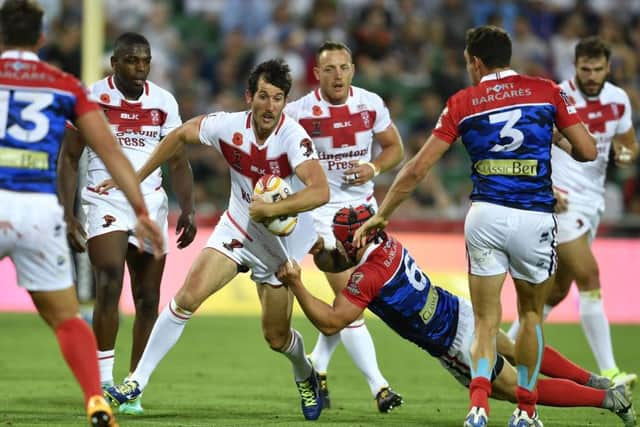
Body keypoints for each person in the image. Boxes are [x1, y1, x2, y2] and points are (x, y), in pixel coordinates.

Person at [353, 25, 597, 427]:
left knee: (485, 320)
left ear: (477, 62)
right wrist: (553, 138)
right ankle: (525, 411)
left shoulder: (463, 101)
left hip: (485, 215)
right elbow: (587, 151)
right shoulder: (547, 90)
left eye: (468, 62)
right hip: (534, 215)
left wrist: (383, 213)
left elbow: (417, 169)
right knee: (531, 316)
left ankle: (478, 408)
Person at [102, 58, 331, 421]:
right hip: (237, 228)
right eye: (263, 96)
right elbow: (178, 135)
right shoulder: (227, 127)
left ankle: (305, 373)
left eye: (277, 98)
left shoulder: (293, 138)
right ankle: (136, 381)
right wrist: (136, 174)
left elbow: (320, 191)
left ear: (285, 102)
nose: (270, 106)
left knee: (276, 337)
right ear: (249, 97)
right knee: (186, 297)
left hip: (280, 246)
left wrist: (273, 209)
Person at [276, 204, 637, 427]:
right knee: (512, 348)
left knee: (521, 391)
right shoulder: (385, 243)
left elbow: (330, 322)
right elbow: (340, 259)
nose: (339, 251)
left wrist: (296, 283)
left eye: (340, 243)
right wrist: (318, 248)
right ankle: (594, 380)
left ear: (353, 243)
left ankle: (607, 400)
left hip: (452, 342)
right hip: (457, 309)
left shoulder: (366, 277)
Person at [0, 1, 162, 426]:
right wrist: (142, 209)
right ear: (40, 38)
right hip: (38, 210)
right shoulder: (67, 86)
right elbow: (109, 151)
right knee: (67, 318)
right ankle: (96, 399)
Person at [58, 32, 197, 416]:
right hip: (102, 198)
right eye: (132, 61)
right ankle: (103, 382)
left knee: (149, 299)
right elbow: (70, 158)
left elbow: (178, 160)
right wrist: (68, 213)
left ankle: (133, 385)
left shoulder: (164, 102)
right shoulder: (91, 97)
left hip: (150, 201)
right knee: (108, 281)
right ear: (114, 63)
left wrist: (187, 207)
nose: (140, 68)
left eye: (145, 61)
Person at [506, 36, 638, 388]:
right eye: (585, 69)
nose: (591, 76)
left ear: (608, 67)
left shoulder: (618, 99)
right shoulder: (557, 95)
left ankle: (505, 347)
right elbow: (530, 141)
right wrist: (546, 187)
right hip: (560, 200)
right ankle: (610, 372)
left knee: (555, 291)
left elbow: (627, 145)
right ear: (574, 66)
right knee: (589, 276)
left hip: (594, 202)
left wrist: (626, 155)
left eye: (597, 69)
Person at [284, 40, 404, 412]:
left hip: (365, 215)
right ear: (316, 74)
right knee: (349, 299)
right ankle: (379, 387)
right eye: (330, 69)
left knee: (352, 301)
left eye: (344, 67)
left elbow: (395, 149)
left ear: (353, 69)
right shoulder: (297, 112)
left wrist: (374, 167)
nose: (338, 75)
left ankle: (318, 364)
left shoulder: (370, 104)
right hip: (321, 216)